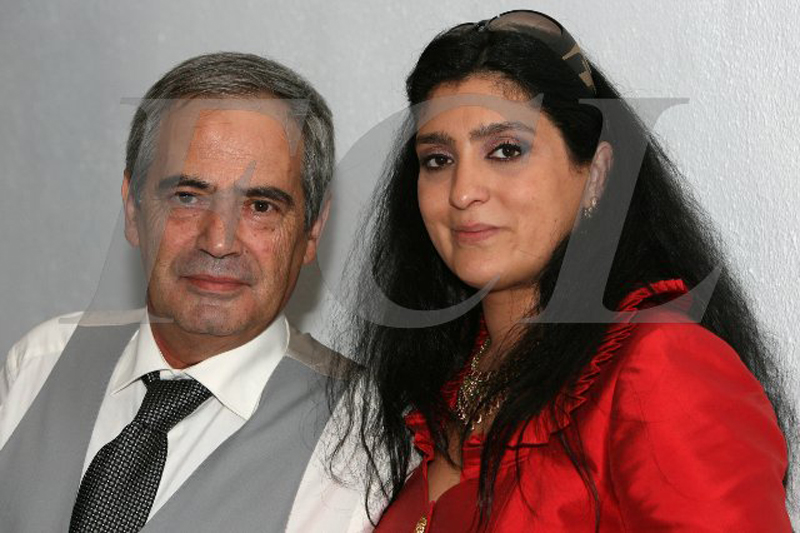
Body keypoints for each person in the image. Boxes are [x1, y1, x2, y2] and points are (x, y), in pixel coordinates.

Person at [332, 10, 795, 532]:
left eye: (506, 150)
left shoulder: (658, 366)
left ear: (596, 174)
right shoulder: (439, 385)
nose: (463, 192)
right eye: (438, 159)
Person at [0, 52, 367, 532]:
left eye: (260, 206)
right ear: (133, 209)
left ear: (312, 231)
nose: (219, 241)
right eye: (188, 197)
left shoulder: (362, 436)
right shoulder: (41, 364)